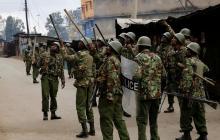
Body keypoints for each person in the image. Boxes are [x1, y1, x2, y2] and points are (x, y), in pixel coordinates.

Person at [133, 36, 166, 140]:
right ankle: (155, 138)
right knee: (153, 120)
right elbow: (164, 75)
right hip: (156, 94)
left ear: (141, 46)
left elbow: (137, 76)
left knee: (142, 121)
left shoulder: (138, 58)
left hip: (144, 94)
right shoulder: (157, 57)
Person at [62, 37, 95, 138]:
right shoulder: (90, 55)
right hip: (90, 83)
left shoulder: (79, 54)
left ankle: (85, 130)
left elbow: (67, 58)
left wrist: (63, 48)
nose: (79, 43)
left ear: (84, 45)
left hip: (82, 83)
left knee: (80, 106)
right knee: (88, 106)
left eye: (81, 42)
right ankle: (92, 129)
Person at [97, 40, 130, 140]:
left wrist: (109, 93)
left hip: (109, 93)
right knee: (118, 119)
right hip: (117, 93)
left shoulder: (111, 59)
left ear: (112, 49)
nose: (106, 48)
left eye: (108, 46)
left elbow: (111, 77)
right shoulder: (116, 59)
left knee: (106, 120)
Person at [176, 42, 209, 140]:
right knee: (199, 115)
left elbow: (187, 77)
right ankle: (203, 136)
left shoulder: (189, 61)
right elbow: (206, 69)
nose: (186, 51)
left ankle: (186, 136)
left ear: (191, 51)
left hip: (190, 93)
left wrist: (185, 91)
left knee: (186, 114)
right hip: (200, 93)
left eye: (188, 50)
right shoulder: (200, 63)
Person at [37, 42, 65, 121]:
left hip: (55, 78)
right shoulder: (44, 55)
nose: (54, 47)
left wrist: (63, 80)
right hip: (46, 77)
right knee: (45, 96)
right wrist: (41, 64)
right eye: (52, 45)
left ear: (58, 48)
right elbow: (38, 65)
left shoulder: (59, 57)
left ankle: (53, 113)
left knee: (53, 96)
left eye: (56, 46)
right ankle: (45, 113)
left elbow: (61, 69)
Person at [165, 33, 186, 113]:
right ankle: (171, 106)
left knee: (181, 96)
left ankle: (184, 112)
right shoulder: (171, 51)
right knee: (170, 91)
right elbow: (167, 63)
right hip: (171, 76)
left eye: (174, 38)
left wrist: (180, 65)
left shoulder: (184, 51)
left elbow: (188, 65)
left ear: (179, 41)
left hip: (180, 77)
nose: (172, 39)